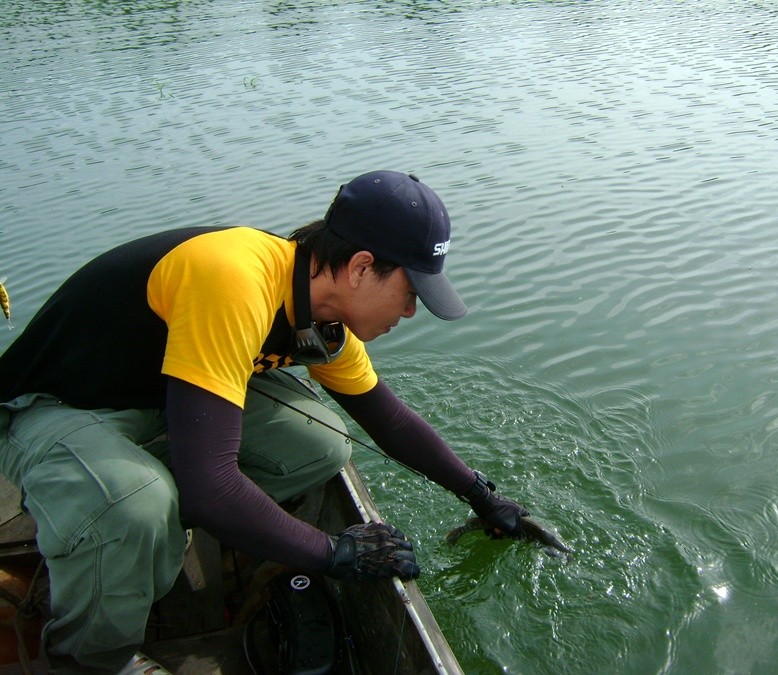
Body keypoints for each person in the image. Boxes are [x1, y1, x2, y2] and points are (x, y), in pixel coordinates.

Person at [0, 170, 529, 673]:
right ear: (362, 267)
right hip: (57, 406)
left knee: (322, 445)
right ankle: (97, 658)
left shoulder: (320, 317)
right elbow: (210, 489)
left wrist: (482, 495)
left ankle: (133, 531)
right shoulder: (235, 279)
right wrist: (333, 552)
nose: (411, 312)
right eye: (411, 294)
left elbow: (389, 420)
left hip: (162, 402)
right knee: (135, 504)